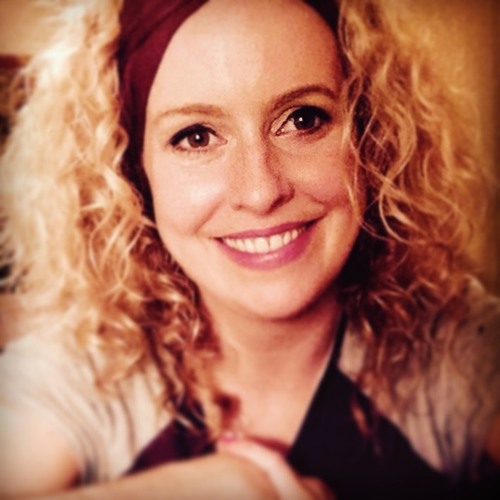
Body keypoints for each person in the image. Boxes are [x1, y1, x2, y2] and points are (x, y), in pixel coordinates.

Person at [0, 0, 498, 498]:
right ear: (133, 173)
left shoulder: (455, 346)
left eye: (303, 119)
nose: (261, 192)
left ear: (372, 137)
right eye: (196, 137)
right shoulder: (81, 367)